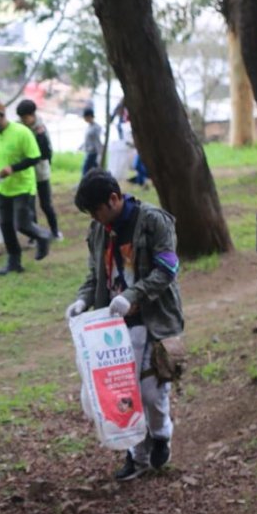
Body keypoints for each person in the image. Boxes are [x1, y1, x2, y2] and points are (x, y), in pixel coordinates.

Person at [66, 170, 183, 481]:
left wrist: (132, 295)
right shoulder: (99, 230)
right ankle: (137, 454)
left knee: (150, 390)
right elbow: (95, 276)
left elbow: (168, 269)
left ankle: (160, 435)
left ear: (114, 199)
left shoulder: (154, 221)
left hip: (154, 319)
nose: (94, 217)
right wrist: (82, 300)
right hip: (114, 327)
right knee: (121, 392)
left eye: (96, 210)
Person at [0, 99, 52, 275]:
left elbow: (34, 157)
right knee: (5, 225)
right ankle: (14, 261)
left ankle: (43, 236)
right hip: (1, 187)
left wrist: (12, 168)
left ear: (1, 115)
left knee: (22, 224)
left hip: (23, 187)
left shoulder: (22, 132)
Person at [16, 99, 61, 240]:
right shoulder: (19, 127)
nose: (23, 120)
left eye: (25, 118)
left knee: (46, 205)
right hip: (26, 175)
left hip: (41, 173)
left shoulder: (40, 129)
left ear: (32, 115)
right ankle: (34, 235)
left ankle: (55, 232)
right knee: (29, 207)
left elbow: (46, 153)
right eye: (21, 118)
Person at [81, 107, 102, 176]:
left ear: (89, 116)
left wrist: (99, 154)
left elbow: (97, 141)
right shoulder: (89, 127)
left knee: (86, 170)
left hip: (93, 153)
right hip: (89, 152)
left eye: (85, 117)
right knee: (90, 171)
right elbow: (87, 140)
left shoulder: (96, 128)